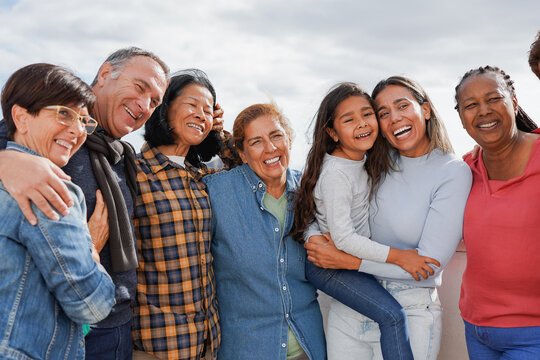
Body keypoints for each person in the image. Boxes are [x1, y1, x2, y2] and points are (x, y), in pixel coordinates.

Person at [0, 47, 169, 360]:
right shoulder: (50, 133)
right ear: (104, 75)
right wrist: (5, 161)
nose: (145, 105)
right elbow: (13, 133)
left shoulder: (123, 155)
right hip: (56, 326)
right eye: (140, 87)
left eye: (155, 100)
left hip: (118, 325)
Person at [305, 76, 472, 359]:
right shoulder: (373, 160)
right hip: (350, 306)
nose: (394, 118)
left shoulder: (451, 172)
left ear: (426, 110)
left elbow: (427, 265)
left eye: (402, 106)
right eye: (383, 113)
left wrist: (347, 261)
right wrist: (314, 237)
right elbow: (316, 198)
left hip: (409, 308)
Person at [0, 63, 115, 359]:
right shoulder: (46, 187)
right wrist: (91, 250)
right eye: (64, 113)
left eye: (84, 121)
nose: (77, 129)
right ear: (21, 117)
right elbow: (91, 304)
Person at [203, 103, 326, 360]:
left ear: (289, 139)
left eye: (276, 136)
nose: (270, 148)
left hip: (308, 348)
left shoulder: (312, 190)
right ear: (242, 153)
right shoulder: (216, 192)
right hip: (247, 349)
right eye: (256, 142)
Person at [132, 69, 237, 360]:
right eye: (192, 105)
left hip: (208, 342)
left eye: (208, 110)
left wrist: (219, 136)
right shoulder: (134, 172)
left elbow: (248, 171)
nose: (201, 115)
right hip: (157, 345)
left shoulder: (205, 176)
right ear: (164, 108)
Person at [454, 65, 540, 360]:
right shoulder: (463, 170)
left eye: (493, 99)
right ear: (461, 118)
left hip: (534, 332)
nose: (483, 111)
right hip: (477, 328)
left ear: (514, 103)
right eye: (471, 105)